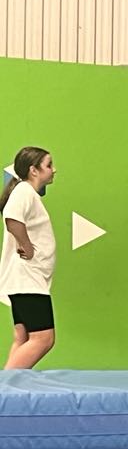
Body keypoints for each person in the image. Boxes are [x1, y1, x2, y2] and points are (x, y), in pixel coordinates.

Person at [0, 147, 58, 369]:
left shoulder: (26, 193)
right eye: (49, 165)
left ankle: (10, 387)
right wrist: (27, 247)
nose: (54, 170)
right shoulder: (24, 191)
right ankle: (5, 385)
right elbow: (12, 219)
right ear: (34, 170)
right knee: (43, 339)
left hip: (24, 280)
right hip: (27, 280)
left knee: (23, 338)